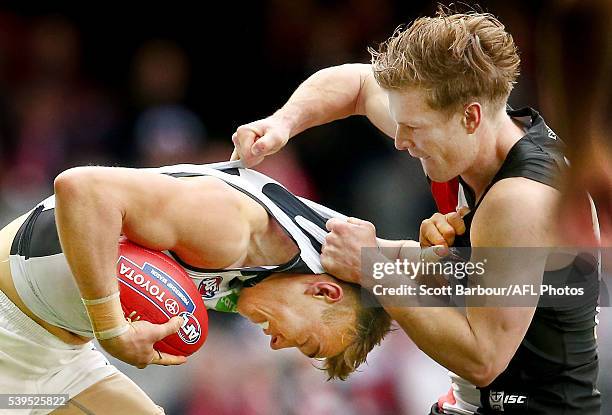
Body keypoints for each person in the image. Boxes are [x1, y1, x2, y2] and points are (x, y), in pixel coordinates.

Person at [231, 9, 601, 415]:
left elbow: (483, 358)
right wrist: (283, 123)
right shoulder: (466, 129)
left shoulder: (518, 200)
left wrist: (373, 267)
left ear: (470, 116)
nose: (400, 141)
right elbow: (356, 84)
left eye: (414, 128)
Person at [0, 160, 392, 414]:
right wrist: (112, 328)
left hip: (55, 359)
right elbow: (80, 188)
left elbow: (442, 273)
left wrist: (425, 245)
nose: (276, 345)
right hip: (12, 331)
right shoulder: (231, 230)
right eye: (306, 342)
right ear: (324, 292)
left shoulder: (322, 251)